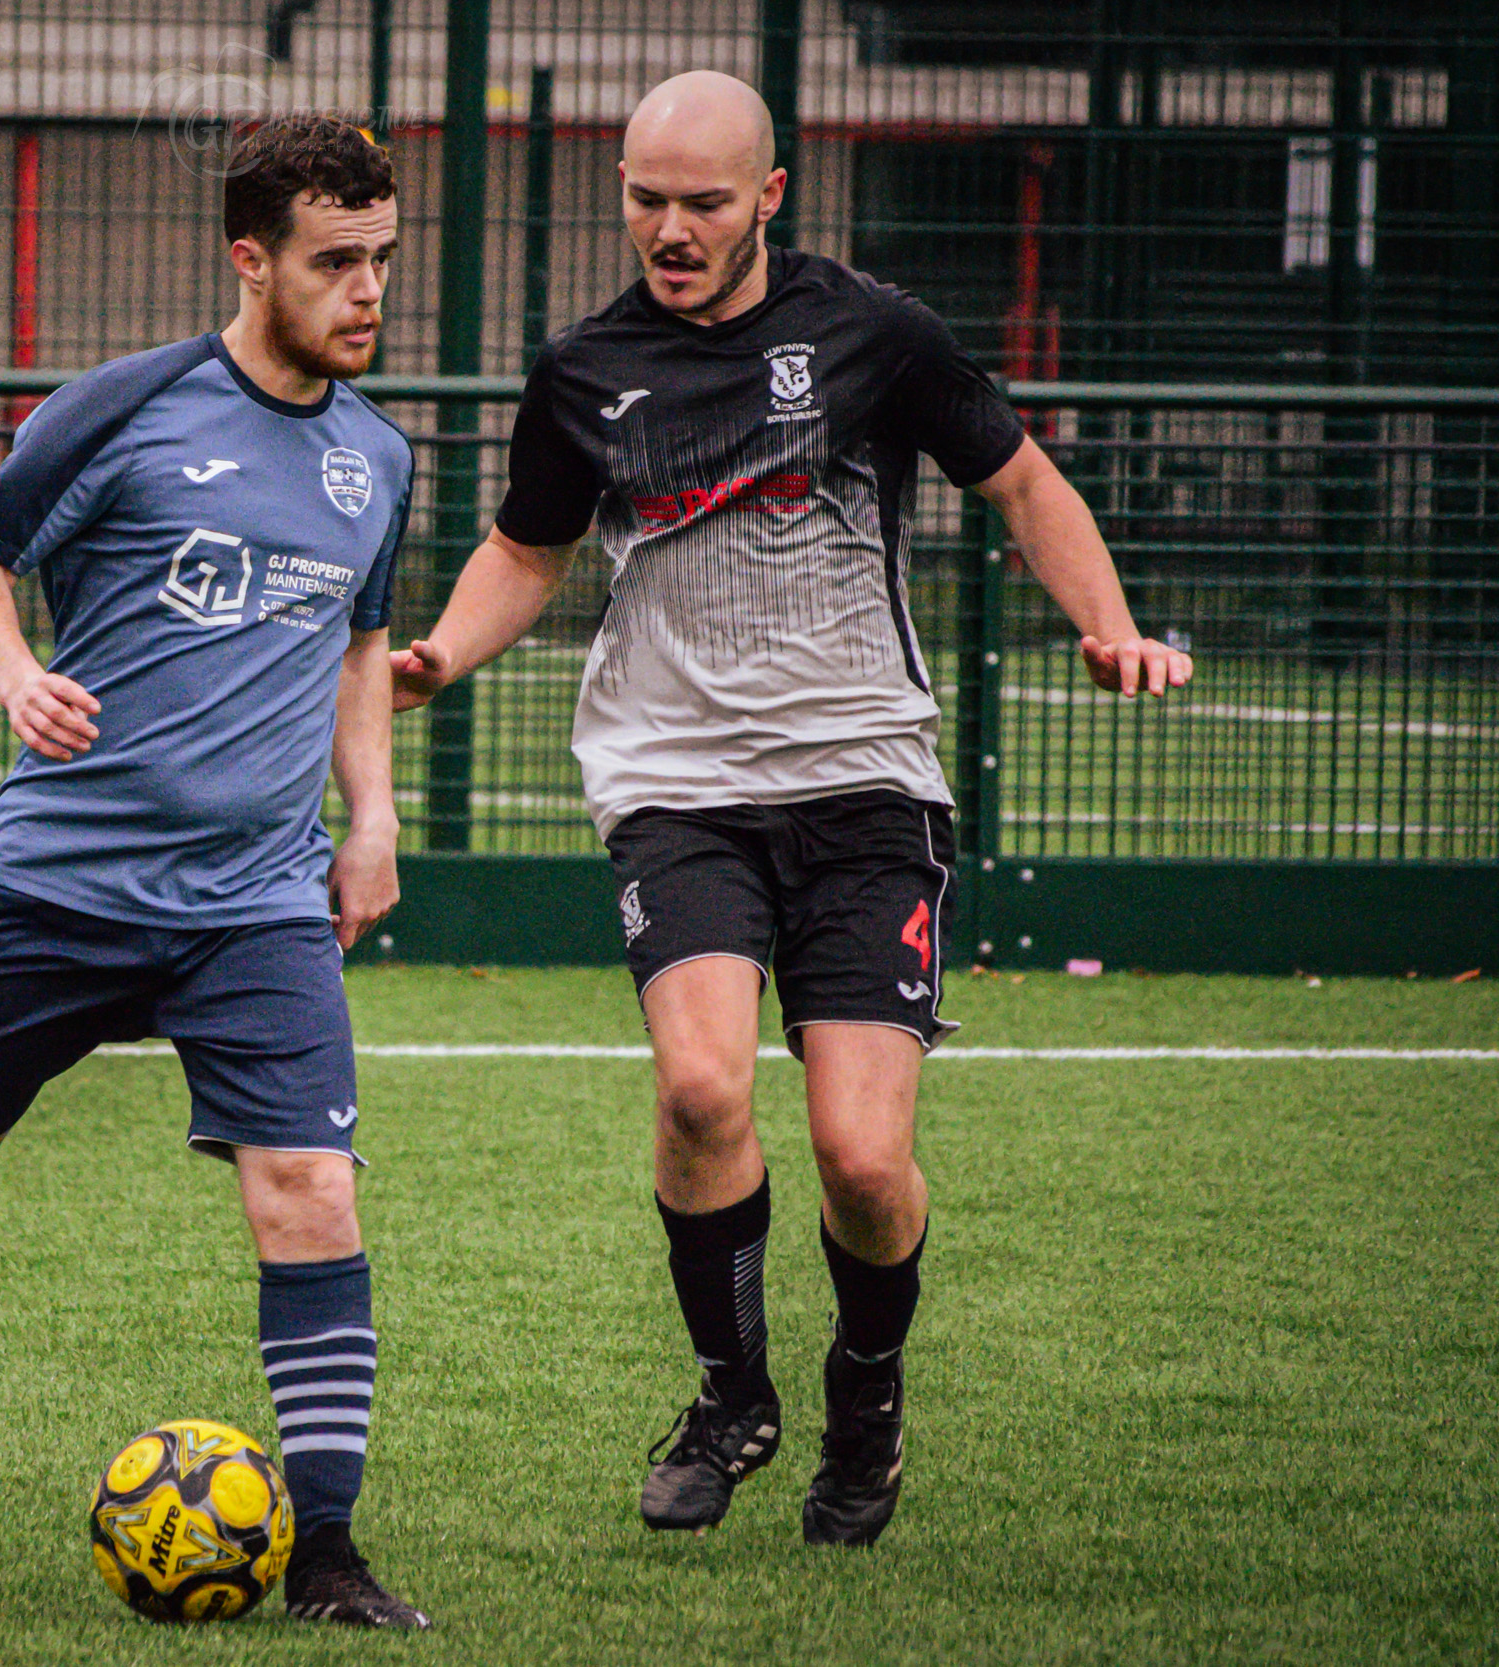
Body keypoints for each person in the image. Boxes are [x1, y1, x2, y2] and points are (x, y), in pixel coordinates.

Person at [391, 71, 1193, 1548]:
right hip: (675, 785)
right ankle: (729, 1396)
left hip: (865, 782)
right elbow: (527, 547)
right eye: (644, 198)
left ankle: (865, 1406)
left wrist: (1112, 623)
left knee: (864, 1161)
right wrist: (443, 647)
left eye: (702, 201)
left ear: (770, 195)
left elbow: (1020, 483)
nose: (670, 229)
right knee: (701, 1092)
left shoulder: (873, 334)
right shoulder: (584, 371)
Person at [0, 114, 427, 1627]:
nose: (367, 295)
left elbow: (355, 640)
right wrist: (14, 675)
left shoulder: (375, 457)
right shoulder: (120, 411)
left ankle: (326, 1552)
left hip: (257, 898)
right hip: (65, 880)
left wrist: (372, 818)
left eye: (383, 262)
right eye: (336, 264)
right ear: (249, 259)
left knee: (311, 1190)